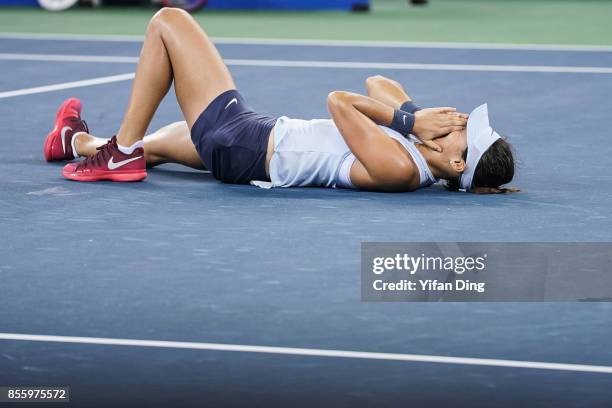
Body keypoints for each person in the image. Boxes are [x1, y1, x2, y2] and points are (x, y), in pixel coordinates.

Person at [43, 8, 516, 194]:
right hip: (247, 150)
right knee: (163, 145)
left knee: (169, 21)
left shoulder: (400, 167)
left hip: (244, 140)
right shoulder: (416, 150)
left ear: (457, 162)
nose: (456, 122)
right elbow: (378, 81)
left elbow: (340, 102)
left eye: (463, 132)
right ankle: (76, 142)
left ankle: (120, 153)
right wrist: (415, 117)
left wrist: (409, 124)